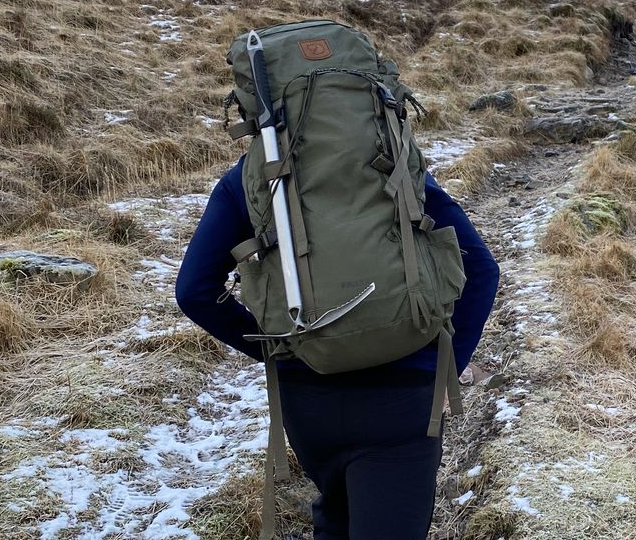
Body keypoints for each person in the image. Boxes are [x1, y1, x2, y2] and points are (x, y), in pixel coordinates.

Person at [175, 153, 499, 540]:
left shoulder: (249, 176)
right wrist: (445, 371)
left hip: (308, 398)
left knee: (336, 516)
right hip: (403, 397)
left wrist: (280, 351)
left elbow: (194, 291)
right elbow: (481, 267)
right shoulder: (390, 162)